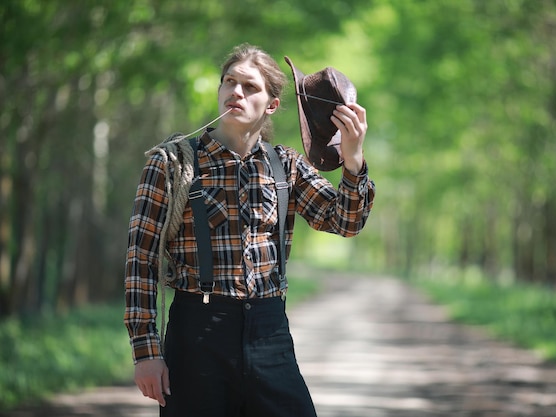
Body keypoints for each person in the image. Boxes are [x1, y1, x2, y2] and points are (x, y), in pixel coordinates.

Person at [124, 43, 375, 416]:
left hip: (269, 331)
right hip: (198, 334)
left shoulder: (285, 165)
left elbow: (345, 221)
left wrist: (353, 161)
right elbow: (140, 259)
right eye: (229, 82)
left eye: (250, 86)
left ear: (271, 104)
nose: (236, 92)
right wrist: (146, 352)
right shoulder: (173, 162)